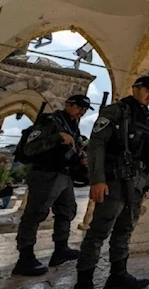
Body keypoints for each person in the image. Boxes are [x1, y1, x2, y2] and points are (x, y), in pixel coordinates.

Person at [75, 76, 149, 289]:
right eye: (147, 90)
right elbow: (97, 145)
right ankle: (84, 281)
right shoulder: (116, 111)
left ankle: (118, 274)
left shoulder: (146, 118)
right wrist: (97, 180)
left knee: (124, 230)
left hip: (135, 184)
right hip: (113, 181)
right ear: (135, 89)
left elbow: (143, 148)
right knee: (99, 231)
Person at [12, 95, 92, 276]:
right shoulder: (50, 122)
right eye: (79, 107)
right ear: (68, 105)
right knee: (35, 214)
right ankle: (25, 257)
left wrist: (82, 159)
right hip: (45, 174)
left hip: (64, 175)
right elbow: (30, 148)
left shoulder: (72, 125)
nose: (82, 112)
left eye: (85, 110)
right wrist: (57, 137)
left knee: (67, 210)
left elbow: (72, 150)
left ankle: (60, 249)